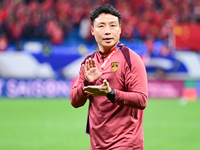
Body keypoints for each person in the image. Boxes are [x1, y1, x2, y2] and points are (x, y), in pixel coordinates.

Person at [70, 4, 148, 150]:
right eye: (101, 26)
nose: (107, 31)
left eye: (113, 26)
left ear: (119, 29)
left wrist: (110, 93)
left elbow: (141, 99)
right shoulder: (89, 62)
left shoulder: (131, 59)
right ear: (92, 30)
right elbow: (74, 101)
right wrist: (87, 82)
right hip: (97, 145)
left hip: (126, 144)